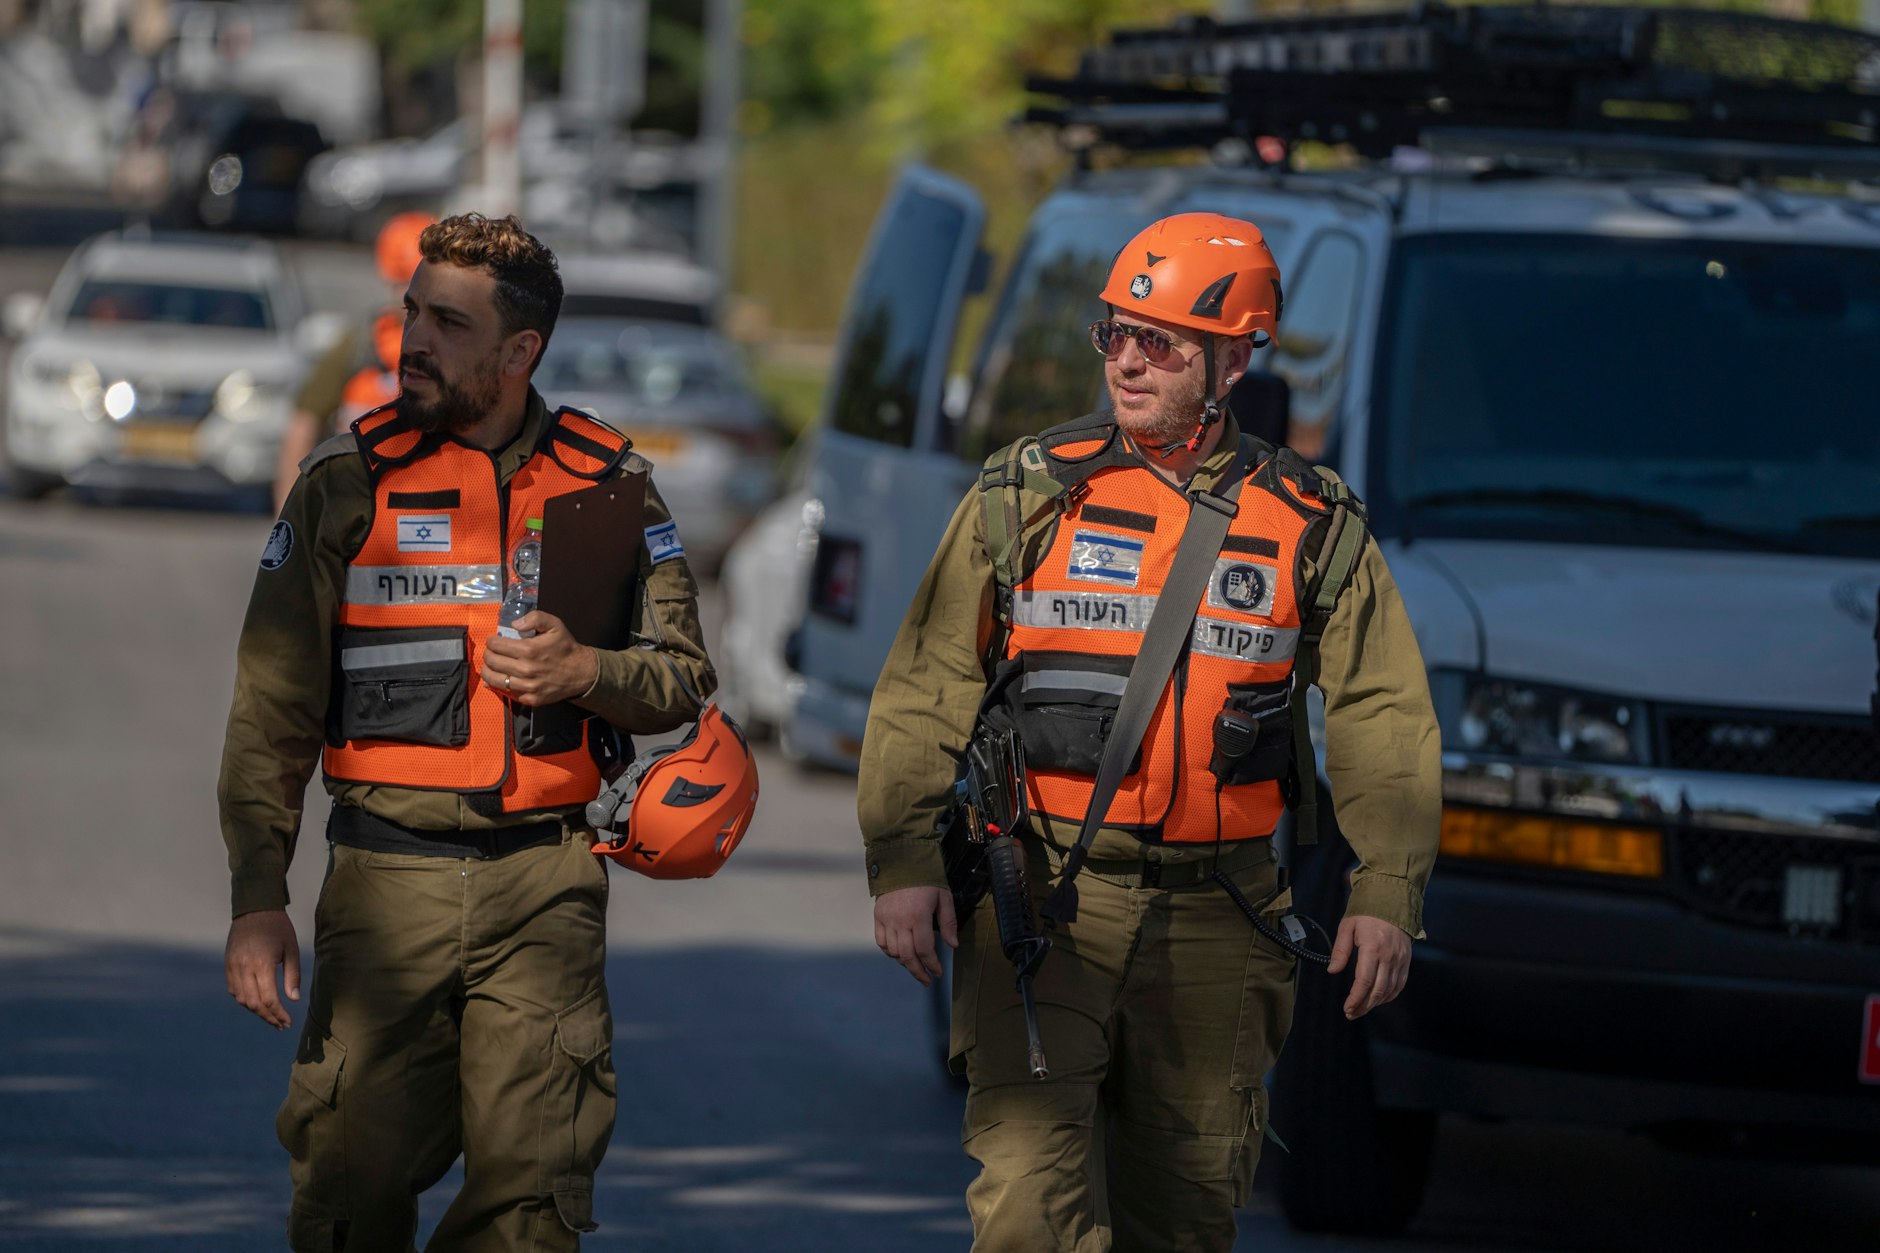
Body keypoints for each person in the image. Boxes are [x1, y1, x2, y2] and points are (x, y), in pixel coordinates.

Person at [860, 212, 1441, 1252]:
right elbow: (926, 680)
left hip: (1222, 917)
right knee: (1027, 1213)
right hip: (1045, 901)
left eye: (1159, 342)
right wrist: (902, 859)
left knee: (1182, 1222)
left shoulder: (1311, 519)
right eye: (1114, 333)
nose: (1125, 361)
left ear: (1233, 361)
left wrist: (1386, 891)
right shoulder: (1027, 489)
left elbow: (1380, 711)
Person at [220, 213, 715, 1251]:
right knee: (347, 1193)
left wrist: (587, 672)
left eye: (449, 323)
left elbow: (683, 676)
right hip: (382, 885)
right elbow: (271, 708)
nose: (414, 340)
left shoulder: (609, 484)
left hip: (546, 884)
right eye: (414, 312)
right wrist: (257, 895)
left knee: (532, 1202)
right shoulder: (346, 484)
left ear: (520, 350)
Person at [273, 213, 435, 511]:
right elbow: (303, 422)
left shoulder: (454, 347)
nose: (411, 297)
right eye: (404, 282)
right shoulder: (361, 342)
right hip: (354, 505)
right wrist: (288, 514)